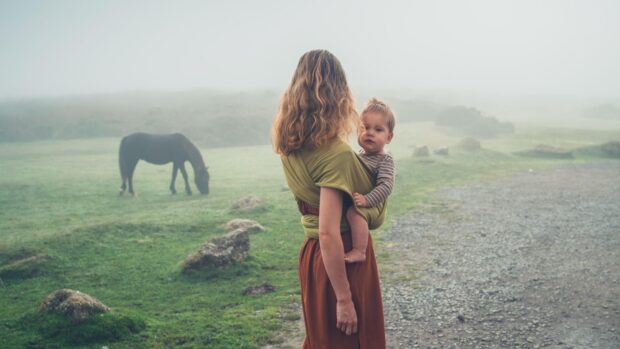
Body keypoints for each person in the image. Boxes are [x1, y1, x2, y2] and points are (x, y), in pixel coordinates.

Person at [272, 49, 387, 348]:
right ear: (339, 94)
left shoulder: (290, 145)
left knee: (321, 339)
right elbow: (328, 230)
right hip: (342, 259)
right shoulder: (335, 154)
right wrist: (344, 299)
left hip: (313, 258)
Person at [344, 98, 395, 263]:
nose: (370, 132)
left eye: (378, 129)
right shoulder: (359, 156)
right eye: (364, 128)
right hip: (361, 201)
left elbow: (386, 186)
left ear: (389, 137)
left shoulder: (384, 160)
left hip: (373, 206)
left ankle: (360, 251)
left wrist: (367, 200)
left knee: (353, 213)